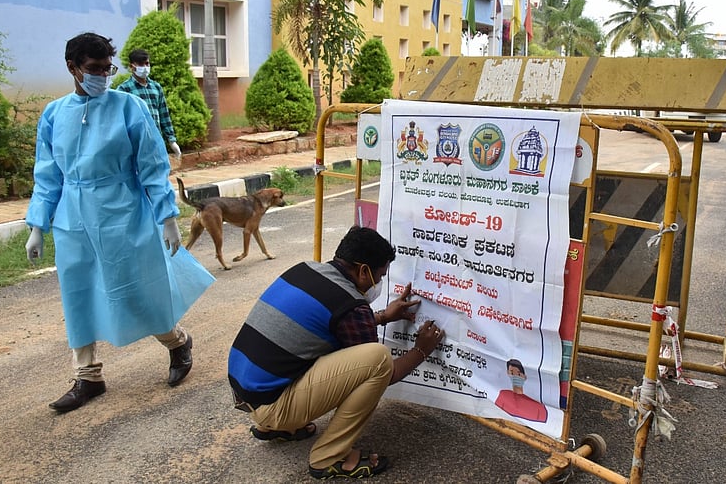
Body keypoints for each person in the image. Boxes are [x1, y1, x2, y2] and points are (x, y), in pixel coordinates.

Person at [25, 32, 214, 413]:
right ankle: (88, 376)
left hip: (123, 212)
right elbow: (47, 175)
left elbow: (152, 164)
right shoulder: (54, 114)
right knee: (77, 293)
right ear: (72, 67)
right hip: (72, 218)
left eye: (108, 69)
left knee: (135, 289)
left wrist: (167, 216)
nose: (103, 76)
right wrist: (37, 225)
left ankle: (177, 342)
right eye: (94, 69)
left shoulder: (127, 107)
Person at [228, 226, 443, 480]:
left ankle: (277, 427)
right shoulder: (351, 305)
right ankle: (330, 457)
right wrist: (421, 349)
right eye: (380, 274)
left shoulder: (305, 269)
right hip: (273, 406)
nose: (380, 282)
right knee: (378, 359)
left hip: (246, 393)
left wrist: (383, 316)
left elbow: (330, 325)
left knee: (316, 347)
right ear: (363, 270)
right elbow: (388, 373)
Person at [116, 48, 181, 158]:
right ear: (132, 67)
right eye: (141, 64)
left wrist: (171, 140)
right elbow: (120, 120)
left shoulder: (156, 87)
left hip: (156, 140)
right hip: (135, 144)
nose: (145, 67)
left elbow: (164, 114)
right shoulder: (124, 90)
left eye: (147, 63)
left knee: (158, 173)